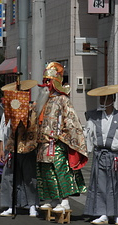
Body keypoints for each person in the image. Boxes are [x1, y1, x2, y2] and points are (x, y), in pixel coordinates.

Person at [35, 62, 88, 212]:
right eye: (44, 81)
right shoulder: (43, 100)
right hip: (43, 143)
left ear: (55, 83)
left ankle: (65, 201)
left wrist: (62, 136)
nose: (45, 85)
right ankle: (51, 198)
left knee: (60, 170)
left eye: (48, 81)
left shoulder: (63, 100)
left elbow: (72, 121)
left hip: (56, 142)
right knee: (45, 171)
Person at [84, 85, 118, 225]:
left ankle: (117, 214)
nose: (101, 101)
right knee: (100, 185)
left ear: (111, 99)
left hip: (114, 156)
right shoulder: (93, 117)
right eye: (100, 98)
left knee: (117, 185)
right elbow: (88, 135)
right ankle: (102, 213)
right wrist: (85, 152)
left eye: (103, 98)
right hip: (100, 154)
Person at [0, 101, 39, 217]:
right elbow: (3, 130)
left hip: (27, 146)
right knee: (9, 177)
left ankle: (32, 205)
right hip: (11, 147)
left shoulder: (31, 108)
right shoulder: (8, 110)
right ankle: (11, 205)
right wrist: (1, 148)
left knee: (29, 176)